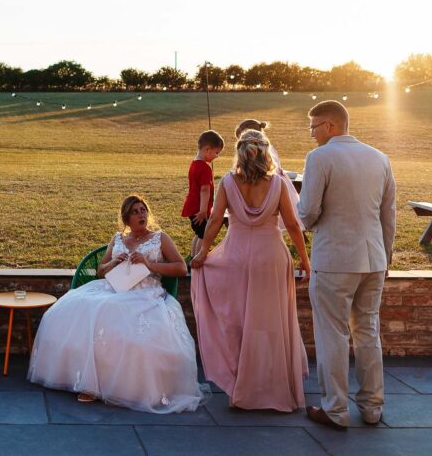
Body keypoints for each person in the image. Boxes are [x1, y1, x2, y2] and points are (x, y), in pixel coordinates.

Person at [27, 195, 206, 413]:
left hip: (146, 294)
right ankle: (89, 383)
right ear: (126, 218)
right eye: (135, 212)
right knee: (75, 307)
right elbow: (101, 271)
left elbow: (181, 268)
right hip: (114, 288)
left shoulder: (160, 238)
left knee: (110, 313)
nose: (141, 214)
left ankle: (116, 387)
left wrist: (150, 264)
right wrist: (113, 261)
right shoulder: (118, 238)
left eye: (143, 210)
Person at [190, 130, 311, 411]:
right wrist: (305, 260)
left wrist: (203, 251)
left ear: (240, 151)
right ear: (265, 151)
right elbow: (293, 225)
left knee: (238, 320)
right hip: (271, 257)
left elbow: (216, 220)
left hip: (236, 257)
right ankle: (273, 386)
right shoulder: (279, 184)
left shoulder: (229, 181)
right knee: (271, 323)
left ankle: (240, 389)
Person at [297, 100, 396, 430]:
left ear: (329, 126)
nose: (311, 135)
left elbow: (308, 209)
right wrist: (386, 256)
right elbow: (388, 215)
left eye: (313, 127)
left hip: (335, 259)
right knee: (368, 332)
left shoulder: (320, 157)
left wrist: (308, 223)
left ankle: (335, 410)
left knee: (332, 334)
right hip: (374, 259)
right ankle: (372, 408)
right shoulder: (379, 158)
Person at [235, 118, 302, 235]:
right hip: (270, 187)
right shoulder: (266, 148)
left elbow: (270, 170)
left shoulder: (267, 151)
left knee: (274, 222)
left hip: (271, 189)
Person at [181, 130, 224, 259]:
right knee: (204, 235)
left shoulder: (194, 164)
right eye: (216, 152)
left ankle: (193, 256)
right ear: (207, 149)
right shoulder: (205, 168)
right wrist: (203, 210)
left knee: (198, 234)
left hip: (192, 206)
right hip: (199, 209)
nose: (217, 156)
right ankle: (199, 257)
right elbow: (204, 190)